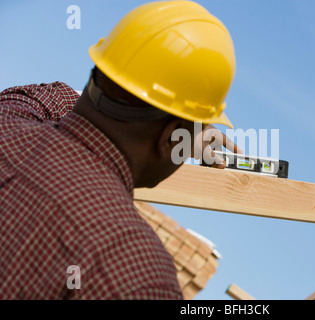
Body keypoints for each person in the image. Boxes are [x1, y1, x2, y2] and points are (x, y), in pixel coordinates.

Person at [0, 1, 240, 299]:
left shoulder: (8, 122)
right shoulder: (141, 274)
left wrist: (111, 97)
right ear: (170, 138)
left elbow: (35, 99)